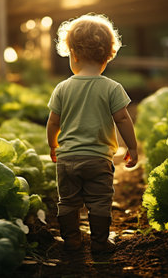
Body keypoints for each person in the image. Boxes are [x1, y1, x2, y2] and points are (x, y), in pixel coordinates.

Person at [46, 13, 138, 254]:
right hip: (98, 159)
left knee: (67, 202)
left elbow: (53, 122)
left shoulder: (62, 88)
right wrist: (133, 147)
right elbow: (123, 119)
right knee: (99, 202)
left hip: (67, 160)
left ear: (72, 54)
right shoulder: (112, 88)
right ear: (108, 56)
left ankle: (72, 241)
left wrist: (53, 145)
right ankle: (99, 242)